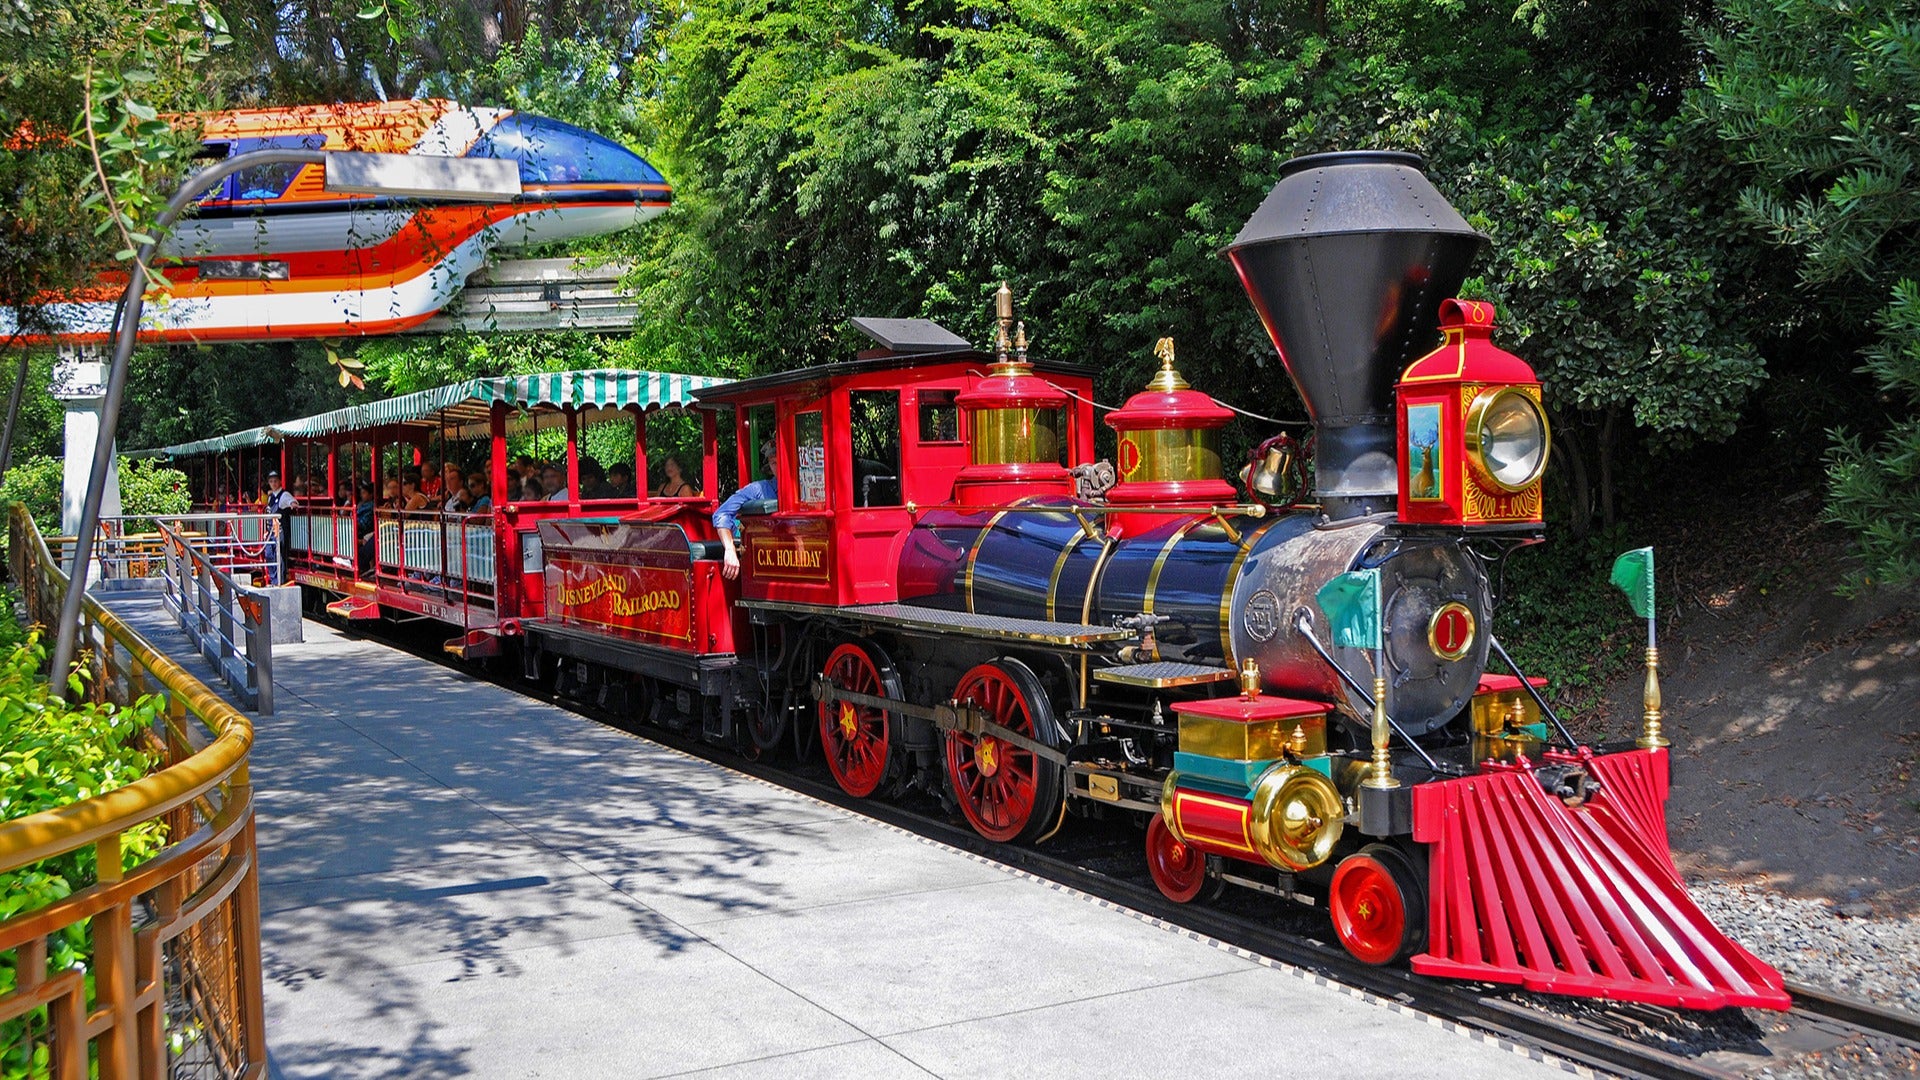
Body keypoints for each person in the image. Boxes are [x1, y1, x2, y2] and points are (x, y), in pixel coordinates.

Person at [713, 442, 778, 580]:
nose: (778, 466)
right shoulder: (758, 489)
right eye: (774, 462)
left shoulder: (810, 487)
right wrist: (730, 550)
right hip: (764, 565)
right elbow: (722, 514)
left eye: (781, 461)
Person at [262, 470, 296, 584]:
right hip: (271, 530)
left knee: (279, 555)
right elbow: (269, 513)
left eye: (275, 481)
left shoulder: (284, 494)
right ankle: (273, 579)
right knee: (269, 554)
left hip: (280, 530)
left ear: (279, 482)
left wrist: (292, 504)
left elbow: (290, 501)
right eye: (271, 481)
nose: (273, 483)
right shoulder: (271, 497)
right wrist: (267, 530)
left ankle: (279, 580)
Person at [354, 481, 378, 577]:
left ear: (371, 494)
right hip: (360, 530)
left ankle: (358, 562)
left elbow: (364, 523)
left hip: (364, 530)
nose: (361, 495)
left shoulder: (370, 506)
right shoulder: (362, 505)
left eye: (364, 493)